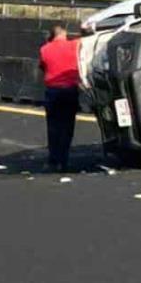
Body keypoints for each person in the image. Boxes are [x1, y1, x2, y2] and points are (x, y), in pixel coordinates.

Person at [39, 23, 81, 172]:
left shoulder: (45, 49)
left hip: (53, 91)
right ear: (64, 33)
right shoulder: (75, 45)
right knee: (67, 126)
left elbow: (43, 66)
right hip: (70, 90)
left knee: (53, 127)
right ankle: (64, 160)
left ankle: (53, 159)